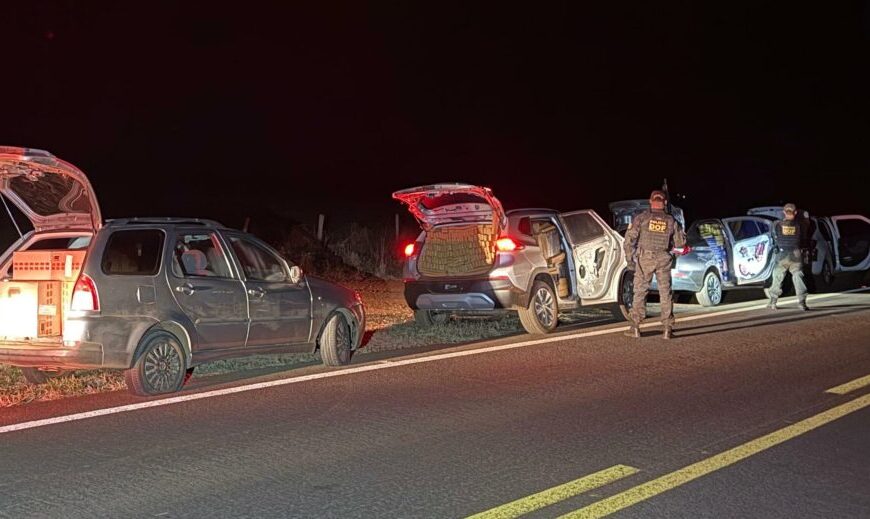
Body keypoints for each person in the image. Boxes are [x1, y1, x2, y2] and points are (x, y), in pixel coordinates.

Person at [623, 190, 686, 339]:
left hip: (645, 258)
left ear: (650, 201)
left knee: (640, 291)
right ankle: (667, 328)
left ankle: (636, 327)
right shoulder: (671, 220)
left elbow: (628, 240)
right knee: (665, 293)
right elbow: (681, 244)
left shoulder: (641, 218)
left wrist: (630, 260)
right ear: (664, 203)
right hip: (663, 258)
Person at [767, 203, 809, 311]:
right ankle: (802, 303)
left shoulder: (778, 224)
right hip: (796, 254)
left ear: (784, 212)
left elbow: (775, 239)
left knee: (777, 277)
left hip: (782, 255)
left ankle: (773, 302)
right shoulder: (800, 225)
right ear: (795, 213)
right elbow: (803, 239)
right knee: (798, 277)